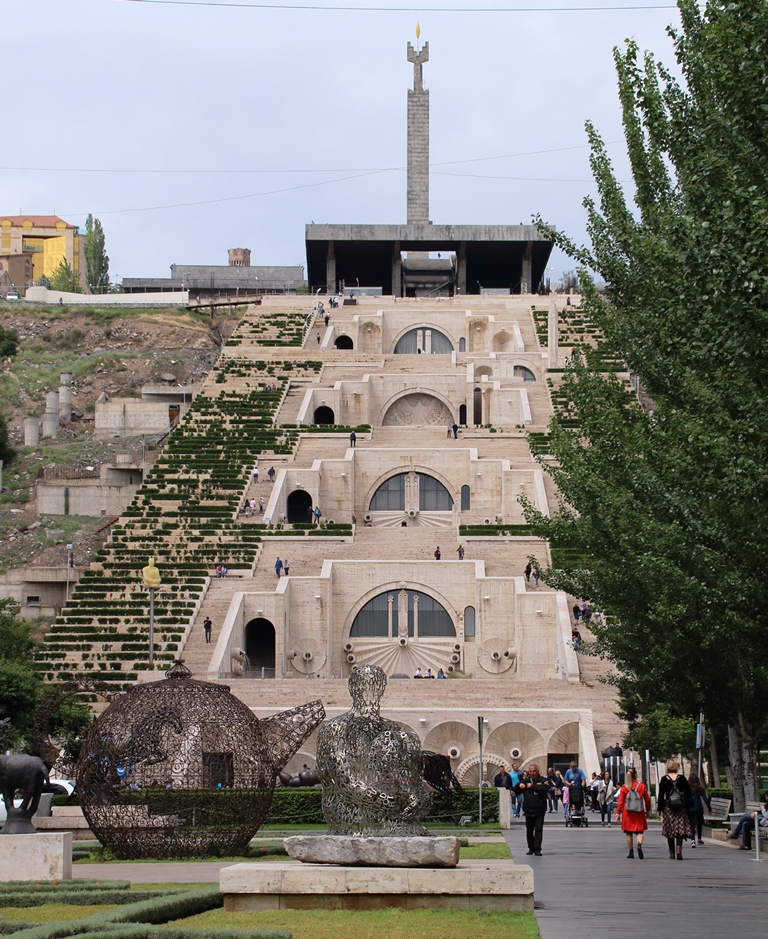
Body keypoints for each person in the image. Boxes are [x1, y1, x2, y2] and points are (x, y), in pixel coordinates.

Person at [658, 758, 693, 860]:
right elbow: (689, 793)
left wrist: (660, 809)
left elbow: (661, 795)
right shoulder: (682, 778)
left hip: (669, 807)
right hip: (681, 807)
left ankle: (672, 852)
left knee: (670, 830)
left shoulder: (664, 779)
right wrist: (689, 804)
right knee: (679, 828)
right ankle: (679, 848)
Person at [515, 763, 551, 856]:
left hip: (539, 810)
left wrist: (532, 786)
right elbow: (516, 790)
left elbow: (544, 789)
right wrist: (519, 785)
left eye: (534, 771)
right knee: (529, 830)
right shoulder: (526, 780)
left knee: (538, 830)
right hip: (528, 810)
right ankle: (531, 848)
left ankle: (537, 849)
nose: (532, 773)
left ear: (537, 771)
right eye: (530, 771)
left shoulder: (544, 780)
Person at [616, 766, 650, 858]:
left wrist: (618, 813)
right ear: (636, 775)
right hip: (639, 811)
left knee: (628, 833)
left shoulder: (624, 787)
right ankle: (639, 844)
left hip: (628, 813)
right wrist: (647, 810)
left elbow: (620, 802)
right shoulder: (641, 786)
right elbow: (647, 800)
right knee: (639, 831)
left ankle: (631, 852)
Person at [687, 773, 711, 847]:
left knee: (692, 825)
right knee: (699, 824)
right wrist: (709, 808)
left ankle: (692, 840)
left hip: (690, 809)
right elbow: (705, 799)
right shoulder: (700, 789)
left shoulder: (688, 789)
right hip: (698, 808)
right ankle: (699, 838)